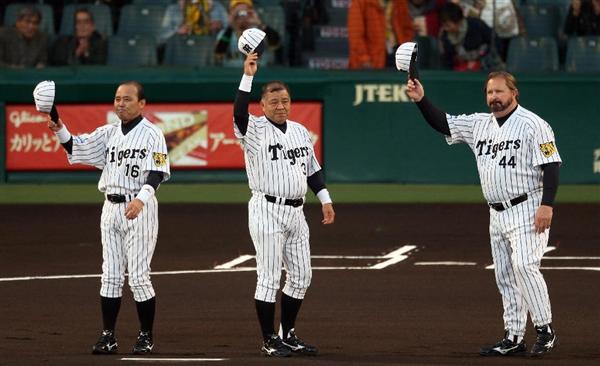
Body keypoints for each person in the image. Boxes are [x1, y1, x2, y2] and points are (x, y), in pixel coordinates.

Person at [406, 71, 560, 357]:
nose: (494, 98)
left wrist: (547, 204)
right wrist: (421, 100)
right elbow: (445, 123)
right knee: (504, 275)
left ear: (514, 93)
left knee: (525, 266)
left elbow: (551, 165)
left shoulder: (534, 124)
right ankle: (514, 336)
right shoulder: (480, 124)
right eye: (490, 93)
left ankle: (545, 330)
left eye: (500, 92)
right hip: (497, 213)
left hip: (528, 207)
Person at [46, 81, 170, 355]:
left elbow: (157, 172)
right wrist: (60, 129)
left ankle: (146, 336)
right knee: (110, 276)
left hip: (140, 208)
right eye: (117, 99)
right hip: (110, 209)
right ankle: (108, 336)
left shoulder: (153, 134)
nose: (121, 103)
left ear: (142, 104)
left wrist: (142, 198)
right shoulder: (108, 133)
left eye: (127, 99)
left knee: (138, 277)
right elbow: (76, 147)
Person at [233, 52, 335, 357]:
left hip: (296, 211)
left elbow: (312, 169)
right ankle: (268, 340)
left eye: (285, 101)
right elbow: (239, 114)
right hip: (266, 209)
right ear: (262, 106)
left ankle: (287, 334)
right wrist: (248, 75)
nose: (280, 106)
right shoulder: (253, 129)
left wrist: (325, 200)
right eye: (274, 102)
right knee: (268, 277)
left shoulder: (300, 131)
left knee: (302, 275)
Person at [347, 0, 414, 69]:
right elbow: (356, 35)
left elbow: (407, 28)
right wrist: (364, 59)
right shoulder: (360, 2)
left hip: (396, 55)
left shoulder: (400, 2)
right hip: (371, 60)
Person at [214, 0, 281, 66]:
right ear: (231, 13)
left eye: (245, 12)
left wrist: (259, 23)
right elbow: (219, 53)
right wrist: (231, 26)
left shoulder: (260, 32)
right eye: (238, 12)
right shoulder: (225, 34)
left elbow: (275, 43)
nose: (242, 16)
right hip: (232, 74)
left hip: (260, 74)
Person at [438, 2, 499, 71]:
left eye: (448, 25)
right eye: (444, 25)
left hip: (487, 67)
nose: (446, 28)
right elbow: (448, 59)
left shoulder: (476, 25)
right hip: (463, 70)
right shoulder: (445, 36)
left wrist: (480, 60)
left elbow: (493, 42)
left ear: (458, 21)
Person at [159, 0, 228, 45]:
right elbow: (161, 37)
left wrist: (218, 28)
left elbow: (229, 30)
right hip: (181, 52)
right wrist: (177, 30)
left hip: (206, 51)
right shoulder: (172, 9)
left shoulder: (217, 8)